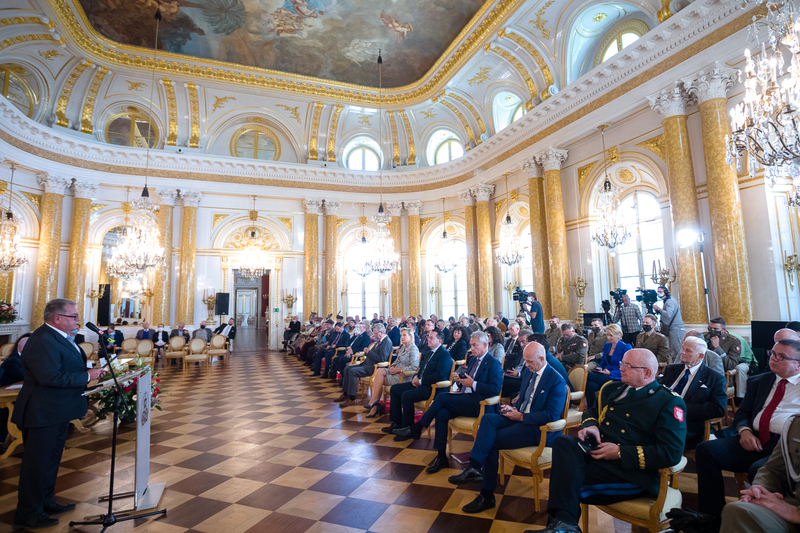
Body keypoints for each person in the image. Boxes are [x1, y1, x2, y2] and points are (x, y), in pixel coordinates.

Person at [540, 349, 686, 533]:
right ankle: (566, 526)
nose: (621, 369)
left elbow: (670, 452)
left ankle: (563, 525)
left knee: (565, 474)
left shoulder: (668, 402)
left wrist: (619, 452)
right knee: (563, 443)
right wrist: (591, 425)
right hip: (599, 454)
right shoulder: (612, 388)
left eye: (628, 366)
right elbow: (592, 412)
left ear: (648, 373)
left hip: (630, 472)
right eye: (622, 364)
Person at [13, 299, 106, 529]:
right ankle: (28, 512)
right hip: (42, 412)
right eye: (73, 316)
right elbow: (51, 378)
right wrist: (87, 376)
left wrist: (88, 372)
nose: (77, 319)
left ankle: (46, 502)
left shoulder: (60, 338)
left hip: (58, 410)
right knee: (37, 464)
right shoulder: (43, 340)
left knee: (50, 461)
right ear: (57, 318)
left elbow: (65, 369)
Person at [449, 341, 568, 513]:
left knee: (491, 441)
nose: (525, 365)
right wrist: (514, 408)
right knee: (488, 420)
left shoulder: (556, 380)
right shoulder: (529, 371)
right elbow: (525, 399)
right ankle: (474, 467)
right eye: (525, 361)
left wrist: (521, 416)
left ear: (542, 359)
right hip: (520, 416)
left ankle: (487, 494)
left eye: (529, 362)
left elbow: (551, 416)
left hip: (538, 429)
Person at [695, 338, 800, 523]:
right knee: (706, 450)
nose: (773, 359)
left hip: (784, 447)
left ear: (798, 365)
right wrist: (744, 431)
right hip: (753, 439)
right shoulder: (759, 381)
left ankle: (763, 520)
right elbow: (742, 413)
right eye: (772, 353)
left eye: (781, 356)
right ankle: (712, 517)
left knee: (758, 469)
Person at [393, 331, 504, 474]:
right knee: (441, 413)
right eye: (471, 345)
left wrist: (474, 384)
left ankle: (419, 427)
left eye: (475, 345)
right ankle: (441, 457)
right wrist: (461, 378)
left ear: (485, 345)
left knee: (442, 397)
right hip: (466, 399)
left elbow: (495, 389)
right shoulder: (472, 360)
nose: (472, 348)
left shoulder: (493, 363)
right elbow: (470, 378)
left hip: (480, 404)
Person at [720, 414, 800, 533]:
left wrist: (794, 512)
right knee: (736, 511)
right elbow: (772, 469)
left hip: (795, 511)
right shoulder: (795, 424)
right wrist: (759, 490)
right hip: (794, 503)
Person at [659, 336, 727, 450]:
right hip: (660, 417)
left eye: (688, 350)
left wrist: (679, 408)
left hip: (687, 424)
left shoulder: (714, 378)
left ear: (700, 356)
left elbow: (718, 408)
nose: (682, 352)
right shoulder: (672, 369)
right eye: (682, 348)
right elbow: (659, 389)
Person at [384, 330, 452, 435]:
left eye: (431, 338)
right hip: (422, 384)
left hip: (432, 388)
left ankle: (407, 428)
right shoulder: (430, 352)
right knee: (395, 389)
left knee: (406, 396)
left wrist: (420, 381)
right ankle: (397, 422)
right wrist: (416, 377)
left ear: (439, 341)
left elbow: (439, 375)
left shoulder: (444, 354)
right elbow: (421, 369)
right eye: (428, 337)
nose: (428, 340)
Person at [364, 328, 420, 418]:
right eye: (401, 335)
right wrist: (393, 366)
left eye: (404, 335)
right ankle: (375, 403)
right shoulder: (402, 347)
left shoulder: (413, 349)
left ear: (411, 337)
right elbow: (396, 361)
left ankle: (374, 403)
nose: (402, 337)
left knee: (379, 376)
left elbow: (414, 367)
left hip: (404, 376)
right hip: (395, 373)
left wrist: (398, 370)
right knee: (379, 370)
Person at [336, 323, 392, 406]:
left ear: (381, 332)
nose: (374, 335)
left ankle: (352, 399)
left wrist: (368, 352)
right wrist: (367, 352)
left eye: (375, 333)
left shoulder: (386, 342)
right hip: (367, 364)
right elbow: (372, 354)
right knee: (347, 368)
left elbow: (382, 358)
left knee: (352, 371)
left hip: (373, 368)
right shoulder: (379, 341)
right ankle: (345, 394)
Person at [585, 324, 630, 409]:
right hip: (604, 373)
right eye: (607, 335)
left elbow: (626, 368)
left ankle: (573, 396)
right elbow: (603, 363)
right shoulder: (607, 346)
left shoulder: (625, 347)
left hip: (617, 376)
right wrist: (600, 368)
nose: (608, 337)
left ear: (619, 335)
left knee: (586, 375)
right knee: (590, 385)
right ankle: (592, 409)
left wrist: (610, 372)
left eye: (611, 335)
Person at [705, 316, 750, 400]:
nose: (712, 331)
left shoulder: (733, 341)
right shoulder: (705, 337)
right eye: (710, 328)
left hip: (721, 374)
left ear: (723, 330)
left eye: (715, 329)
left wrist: (718, 348)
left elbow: (731, 365)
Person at [0, 333, 29, 445]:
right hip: (4, 395)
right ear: (21, 347)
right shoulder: (13, 360)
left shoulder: (22, 358)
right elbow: (24, 375)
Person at [651, 285, 685, 363]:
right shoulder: (667, 301)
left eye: (660, 292)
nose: (658, 293)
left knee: (676, 351)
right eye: (658, 292)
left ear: (665, 292)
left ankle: (677, 368)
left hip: (676, 329)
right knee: (673, 351)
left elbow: (669, 314)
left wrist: (658, 309)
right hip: (673, 328)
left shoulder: (670, 301)